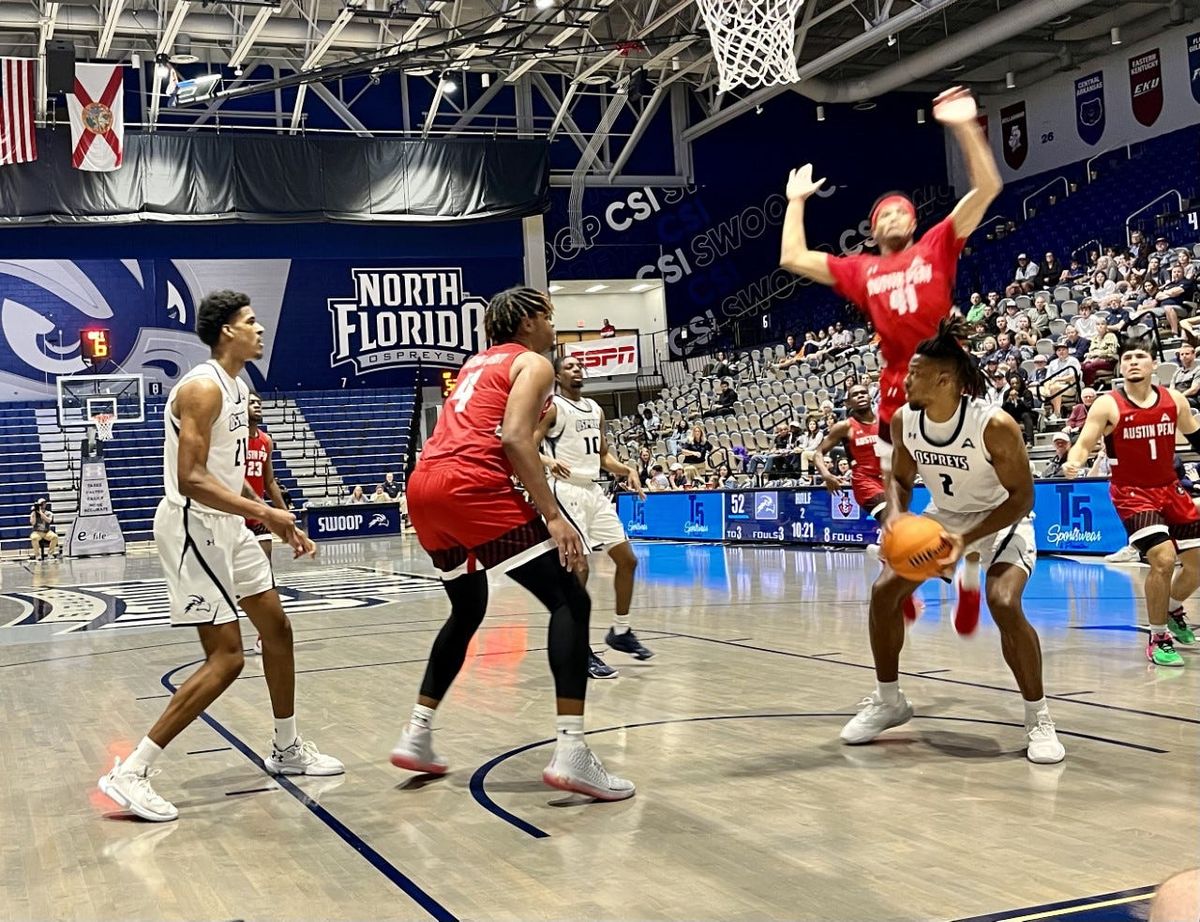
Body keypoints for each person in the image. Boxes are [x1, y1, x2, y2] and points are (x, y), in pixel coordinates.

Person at [98, 290, 341, 823]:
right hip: (193, 525)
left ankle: (285, 747)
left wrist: (272, 516)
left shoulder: (238, 384)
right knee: (227, 657)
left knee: (276, 629)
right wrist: (267, 515)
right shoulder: (204, 389)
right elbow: (192, 479)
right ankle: (130, 770)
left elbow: (228, 477)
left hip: (230, 524)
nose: (259, 330)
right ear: (227, 331)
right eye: (250, 322)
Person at [391, 287, 634, 801]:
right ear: (527, 322)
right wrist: (553, 515)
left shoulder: (477, 362)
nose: (554, 327)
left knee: (467, 608)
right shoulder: (532, 363)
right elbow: (512, 438)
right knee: (571, 597)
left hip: (425, 485)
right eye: (549, 317)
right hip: (472, 485)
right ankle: (572, 752)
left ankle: (417, 733)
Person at [779, 85, 1000, 618]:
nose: (896, 217)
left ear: (914, 222)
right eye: (886, 214)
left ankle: (968, 560)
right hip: (898, 390)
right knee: (892, 491)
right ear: (874, 228)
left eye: (903, 211)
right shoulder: (862, 270)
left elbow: (988, 185)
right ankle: (903, 563)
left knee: (973, 485)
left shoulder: (938, 244)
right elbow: (791, 257)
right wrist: (796, 202)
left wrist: (965, 125)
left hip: (953, 380)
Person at [841, 320, 1063, 763]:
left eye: (913, 373)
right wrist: (899, 517)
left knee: (1002, 602)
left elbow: (1023, 497)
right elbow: (900, 479)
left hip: (1001, 518)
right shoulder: (906, 420)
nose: (903, 380)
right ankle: (889, 700)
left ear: (944, 380)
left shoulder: (994, 425)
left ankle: (1038, 717)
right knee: (885, 593)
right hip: (945, 515)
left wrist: (965, 539)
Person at [1065, 336, 1199, 667]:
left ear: (1154, 364)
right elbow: (1084, 442)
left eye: (1140, 356)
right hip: (1131, 493)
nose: (1133, 362)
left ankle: (1170, 610)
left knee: (1197, 563)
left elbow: (1196, 437)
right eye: (1127, 358)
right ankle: (1157, 637)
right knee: (1163, 559)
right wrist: (1074, 461)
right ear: (1121, 367)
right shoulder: (1108, 404)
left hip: (1170, 488)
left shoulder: (1174, 400)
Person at [535, 353, 654, 679]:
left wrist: (626, 468)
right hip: (565, 491)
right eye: (569, 367)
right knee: (581, 569)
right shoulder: (553, 407)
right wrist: (548, 462)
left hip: (593, 491)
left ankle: (621, 630)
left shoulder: (596, 408)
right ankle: (579, 647)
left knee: (628, 560)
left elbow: (602, 455)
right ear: (558, 377)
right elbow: (528, 446)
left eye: (579, 366)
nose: (576, 370)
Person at [245, 391, 291, 657]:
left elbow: (270, 482)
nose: (257, 406)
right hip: (234, 517)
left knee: (265, 580)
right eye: (252, 403)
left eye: (259, 403)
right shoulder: (233, 440)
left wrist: (284, 517)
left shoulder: (265, 441)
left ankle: (265, 634)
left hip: (259, 519)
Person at [813, 383, 885, 521]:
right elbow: (818, 453)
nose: (860, 396)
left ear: (870, 397)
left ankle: (880, 543)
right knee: (891, 518)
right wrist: (826, 475)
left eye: (863, 393)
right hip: (865, 483)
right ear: (848, 402)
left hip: (888, 480)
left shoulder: (885, 422)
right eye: (855, 395)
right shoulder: (844, 427)